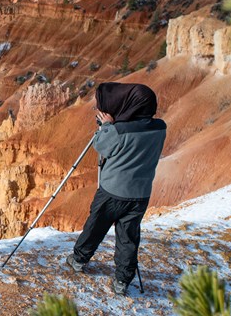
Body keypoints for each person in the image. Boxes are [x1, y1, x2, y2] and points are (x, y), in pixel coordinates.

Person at [65, 82, 167, 296]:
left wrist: (107, 127)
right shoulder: (160, 127)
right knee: (128, 237)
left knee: (95, 227)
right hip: (140, 194)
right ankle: (122, 281)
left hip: (112, 191)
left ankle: (78, 260)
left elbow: (102, 147)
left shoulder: (119, 131)